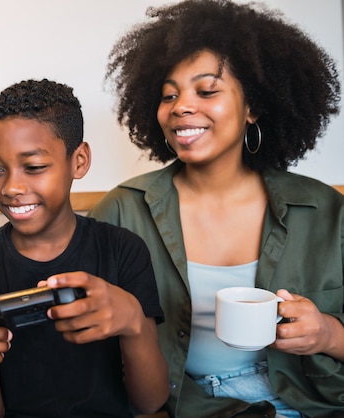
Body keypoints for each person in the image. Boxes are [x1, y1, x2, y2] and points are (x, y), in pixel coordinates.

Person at [88, 1, 344, 417]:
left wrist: (329, 334)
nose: (181, 106)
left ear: (252, 106)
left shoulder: (326, 211)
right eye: (168, 94)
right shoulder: (121, 211)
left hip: (311, 404)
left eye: (206, 90)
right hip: (184, 406)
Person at [0, 78, 168, 418]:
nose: (12, 188)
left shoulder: (123, 250)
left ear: (78, 161)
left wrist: (133, 320)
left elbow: (149, 402)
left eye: (33, 167)